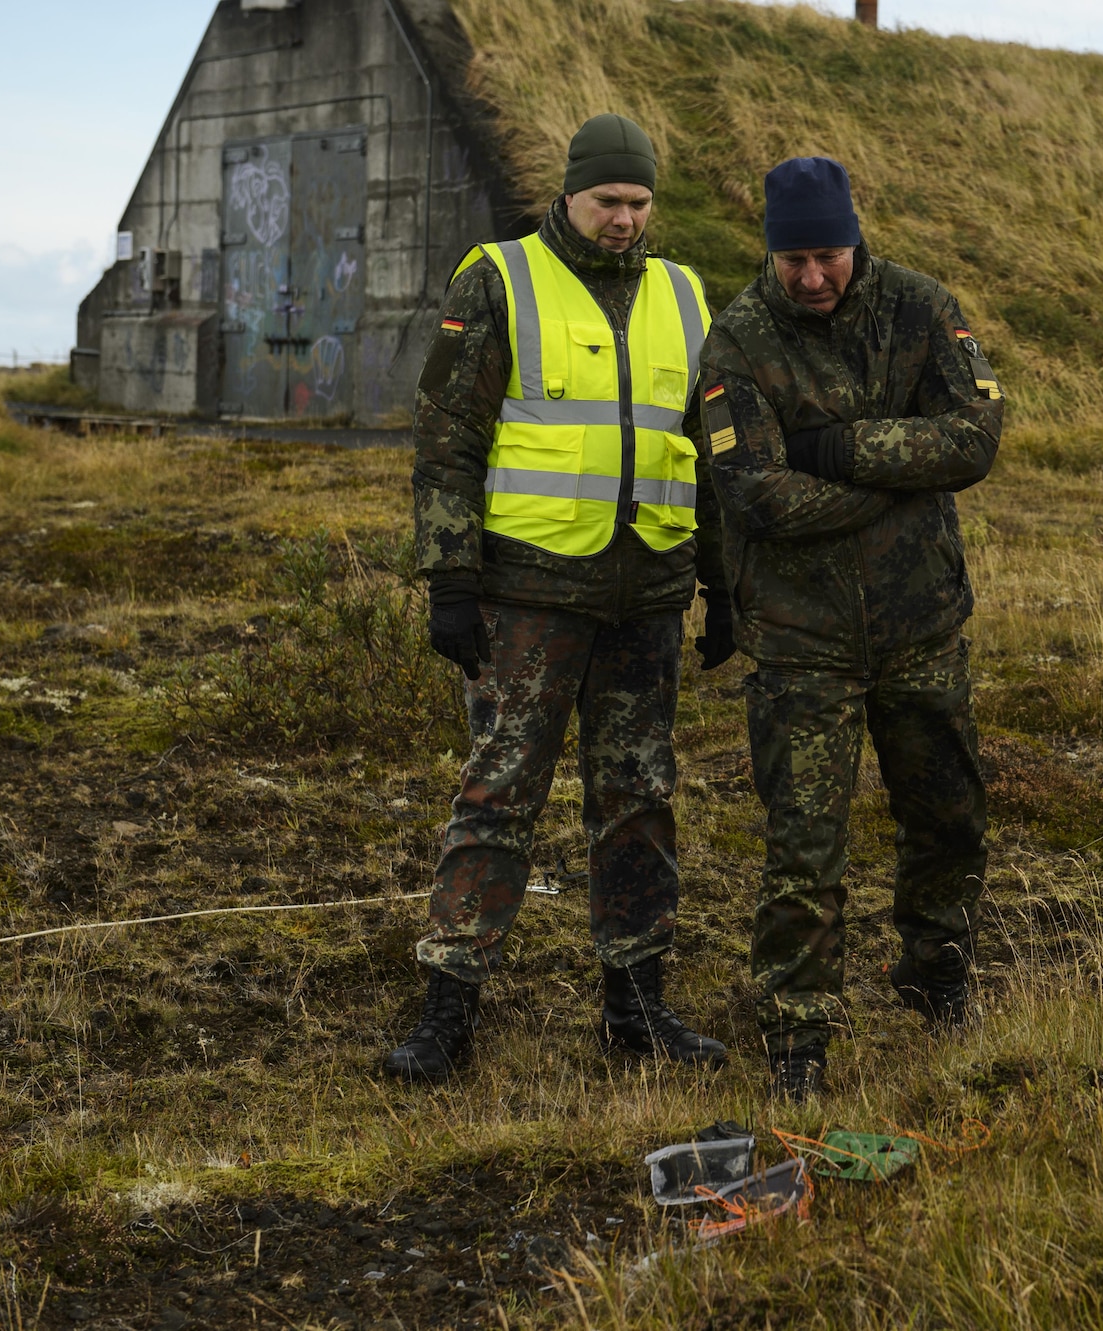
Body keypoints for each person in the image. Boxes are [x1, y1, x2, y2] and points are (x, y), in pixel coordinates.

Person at [384, 113, 731, 1082]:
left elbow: (704, 448)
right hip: (526, 594)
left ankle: (637, 1006)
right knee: (497, 796)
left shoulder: (684, 291)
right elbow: (446, 436)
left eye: (637, 202)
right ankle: (448, 1009)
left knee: (638, 801)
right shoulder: (498, 277)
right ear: (569, 194)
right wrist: (450, 580)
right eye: (607, 200)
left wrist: (721, 581)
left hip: (645, 597)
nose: (624, 219)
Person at [698, 156, 1003, 1099]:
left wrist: (846, 449)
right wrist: (890, 494)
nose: (813, 277)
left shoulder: (920, 307)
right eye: (794, 260)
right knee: (805, 847)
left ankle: (937, 968)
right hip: (802, 640)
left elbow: (977, 434)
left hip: (921, 627)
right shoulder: (738, 343)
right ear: (771, 255)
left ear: (854, 239)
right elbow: (753, 490)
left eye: (827, 255)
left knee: (948, 816)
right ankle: (798, 1034)